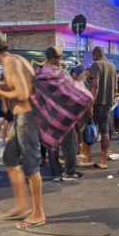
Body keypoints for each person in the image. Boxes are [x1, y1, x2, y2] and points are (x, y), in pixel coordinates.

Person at [0, 29, 45, 229]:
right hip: (20, 118)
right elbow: (17, 84)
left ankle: (38, 213)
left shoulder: (11, 62)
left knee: (31, 166)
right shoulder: (14, 60)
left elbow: (22, 93)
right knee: (9, 160)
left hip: (27, 117)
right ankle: (21, 205)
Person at [41, 47, 83, 182]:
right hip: (64, 114)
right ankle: (70, 172)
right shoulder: (61, 73)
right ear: (52, 58)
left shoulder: (39, 73)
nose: (61, 60)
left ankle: (56, 173)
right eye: (59, 57)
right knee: (70, 143)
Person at [80, 47, 117, 169]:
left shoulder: (96, 65)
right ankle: (102, 160)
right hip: (108, 103)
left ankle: (88, 158)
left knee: (87, 129)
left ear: (95, 54)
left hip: (96, 103)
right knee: (105, 131)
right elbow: (115, 89)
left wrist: (90, 104)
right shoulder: (112, 66)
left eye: (92, 56)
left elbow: (95, 86)